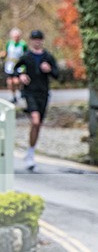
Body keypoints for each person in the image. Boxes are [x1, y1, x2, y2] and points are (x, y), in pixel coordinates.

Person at [13, 30, 58, 171]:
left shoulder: (48, 56)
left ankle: (30, 151)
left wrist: (49, 69)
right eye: (34, 39)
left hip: (43, 93)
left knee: (38, 125)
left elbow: (57, 74)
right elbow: (15, 69)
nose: (37, 42)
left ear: (42, 41)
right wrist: (21, 75)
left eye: (39, 39)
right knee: (35, 120)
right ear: (31, 41)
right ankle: (30, 154)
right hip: (29, 92)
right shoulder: (26, 56)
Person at [2, 28, 27, 103]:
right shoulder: (9, 43)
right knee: (10, 82)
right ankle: (13, 96)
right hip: (9, 66)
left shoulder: (23, 44)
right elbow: (6, 52)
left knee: (16, 81)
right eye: (14, 36)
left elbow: (26, 55)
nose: (16, 38)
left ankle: (21, 90)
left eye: (17, 36)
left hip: (19, 65)